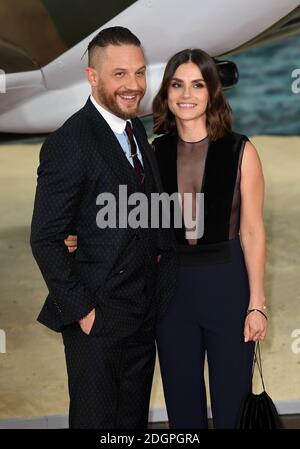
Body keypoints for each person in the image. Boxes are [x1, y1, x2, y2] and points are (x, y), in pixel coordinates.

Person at [30, 27, 176, 429]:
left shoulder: (137, 132)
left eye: (140, 73)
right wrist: (84, 312)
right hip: (98, 318)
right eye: (120, 74)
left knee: (131, 424)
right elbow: (44, 238)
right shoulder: (69, 142)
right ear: (92, 77)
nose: (134, 86)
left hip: (141, 313)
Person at [151, 48, 268, 429]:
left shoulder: (241, 151)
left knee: (233, 405)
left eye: (197, 85)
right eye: (177, 84)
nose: (187, 94)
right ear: (167, 93)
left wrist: (257, 303)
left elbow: (251, 230)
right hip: (171, 292)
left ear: (212, 92)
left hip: (227, 287)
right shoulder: (155, 152)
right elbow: (136, 224)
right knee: (183, 407)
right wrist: (79, 237)